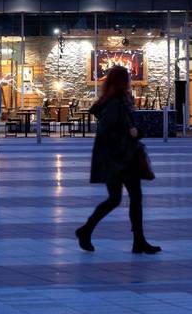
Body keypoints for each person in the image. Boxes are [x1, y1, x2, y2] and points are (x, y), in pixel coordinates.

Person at [75, 65, 160, 255]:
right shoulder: (115, 103)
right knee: (124, 198)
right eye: (127, 78)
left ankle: (137, 240)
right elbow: (108, 132)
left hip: (118, 158)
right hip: (120, 159)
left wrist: (134, 132)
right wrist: (132, 133)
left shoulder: (116, 100)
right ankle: (87, 231)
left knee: (124, 198)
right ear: (123, 81)